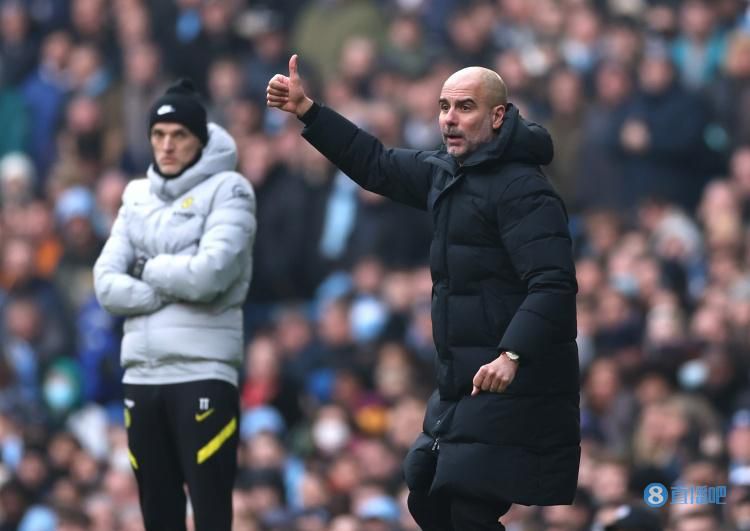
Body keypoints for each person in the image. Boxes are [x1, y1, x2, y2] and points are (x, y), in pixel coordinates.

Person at [267, 56, 580, 530]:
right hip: (462, 380)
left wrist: (512, 354)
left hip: (514, 380)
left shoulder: (524, 190)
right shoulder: (446, 173)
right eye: (443, 107)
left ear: (498, 116)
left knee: (466, 505)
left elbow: (553, 284)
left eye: (465, 107)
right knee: (428, 494)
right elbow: (373, 163)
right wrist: (309, 110)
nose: (449, 119)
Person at [93, 79, 256, 531]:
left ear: (199, 140)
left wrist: (143, 269)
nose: (166, 146)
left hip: (203, 371)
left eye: (179, 135)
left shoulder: (231, 190)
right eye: (158, 135)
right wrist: (167, 282)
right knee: (157, 516)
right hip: (141, 376)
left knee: (210, 514)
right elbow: (105, 285)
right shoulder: (134, 196)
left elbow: (210, 275)